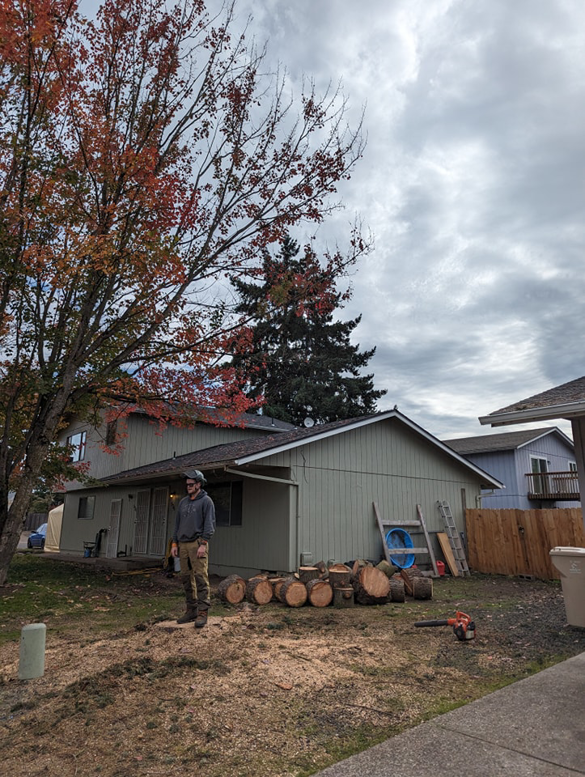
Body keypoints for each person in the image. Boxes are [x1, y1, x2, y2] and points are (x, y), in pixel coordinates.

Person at [171, 469, 215, 629]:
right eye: (187, 484)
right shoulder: (183, 502)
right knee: (185, 577)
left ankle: (203, 612)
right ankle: (191, 610)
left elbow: (209, 525)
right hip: (182, 544)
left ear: (198, 484)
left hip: (197, 544)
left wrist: (203, 544)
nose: (188, 486)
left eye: (191, 484)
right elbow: (177, 524)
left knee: (200, 578)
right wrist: (174, 543)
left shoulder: (206, 501)